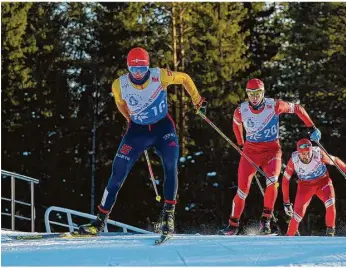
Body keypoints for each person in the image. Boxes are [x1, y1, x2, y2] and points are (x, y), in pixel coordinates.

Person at [79, 47, 206, 236]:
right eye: (133, 70)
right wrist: (131, 119)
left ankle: (168, 216)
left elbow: (185, 78)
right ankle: (99, 220)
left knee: (171, 165)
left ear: (148, 67)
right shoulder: (119, 85)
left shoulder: (159, 76)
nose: (138, 74)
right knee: (118, 171)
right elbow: (120, 104)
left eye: (142, 70)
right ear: (128, 68)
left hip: (163, 128)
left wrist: (197, 100)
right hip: (137, 132)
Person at [219, 78, 321, 235]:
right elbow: (236, 124)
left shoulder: (274, 105)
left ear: (263, 93)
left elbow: (298, 108)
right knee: (242, 191)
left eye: (258, 93)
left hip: (272, 151)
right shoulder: (241, 110)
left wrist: (311, 126)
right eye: (251, 94)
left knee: (273, 182)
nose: (254, 97)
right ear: (247, 94)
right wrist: (240, 144)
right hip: (250, 153)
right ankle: (233, 225)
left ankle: (265, 221)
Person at [282, 138, 346, 236]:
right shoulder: (294, 160)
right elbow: (285, 180)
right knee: (298, 215)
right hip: (305, 187)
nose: (306, 156)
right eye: (303, 154)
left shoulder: (319, 154)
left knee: (330, 203)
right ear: (298, 153)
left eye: (308, 153)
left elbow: (335, 160)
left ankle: (330, 232)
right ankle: (288, 237)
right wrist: (286, 202)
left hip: (323, 182)